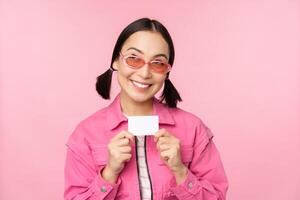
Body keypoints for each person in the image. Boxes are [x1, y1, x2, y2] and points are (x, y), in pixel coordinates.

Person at [64, 17, 229, 200]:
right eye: (134, 59)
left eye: (157, 63)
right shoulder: (86, 134)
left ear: (167, 72)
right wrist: (109, 173)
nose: (144, 73)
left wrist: (180, 170)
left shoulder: (193, 129)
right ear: (116, 61)